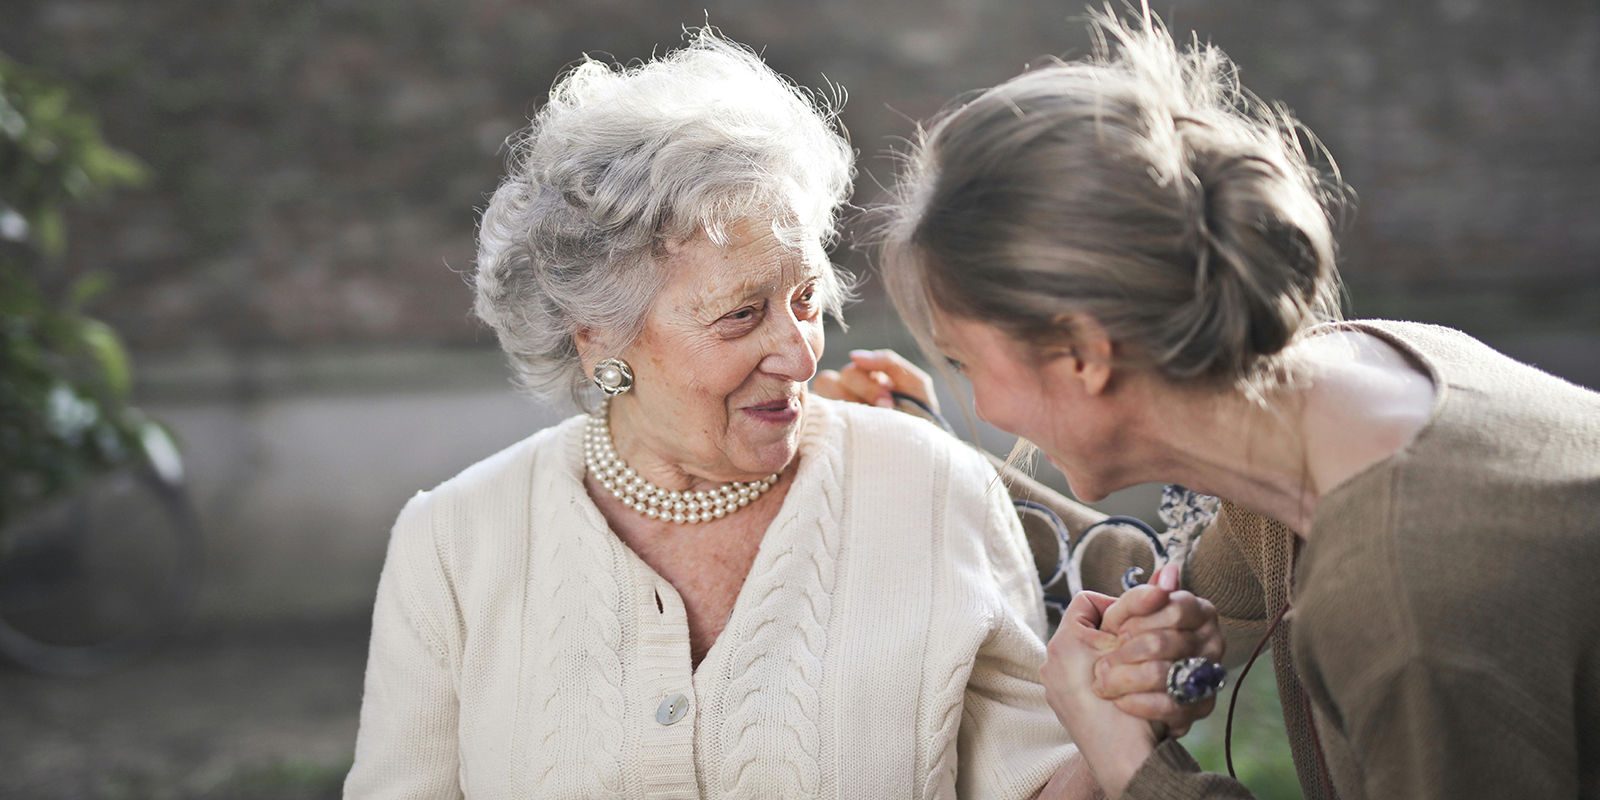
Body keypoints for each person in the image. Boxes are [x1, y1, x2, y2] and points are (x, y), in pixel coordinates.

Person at [343, 29, 1131, 799]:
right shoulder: (451, 544)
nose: (798, 354)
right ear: (599, 338)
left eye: (805, 300)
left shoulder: (934, 488)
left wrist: (1119, 719)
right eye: (741, 315)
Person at [856, 10, 1600, 800]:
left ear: (1082, 353)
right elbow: (1172, 587)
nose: (984, 404)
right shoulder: (1343, 388)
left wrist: (1128, 762)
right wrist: (920, 453)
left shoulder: (1407, 605)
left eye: (967, 361)